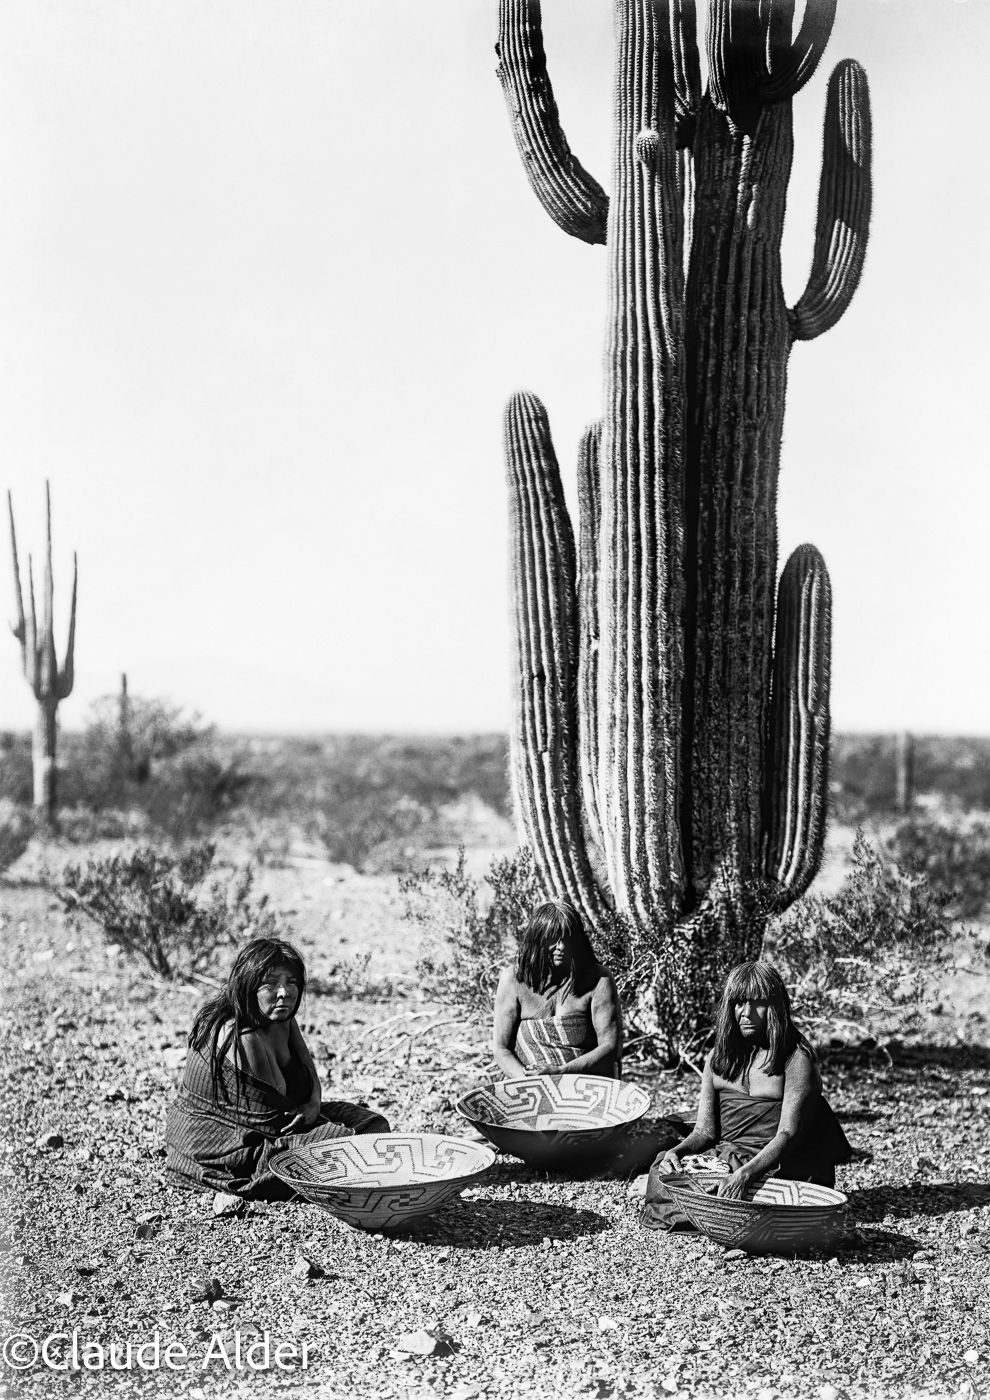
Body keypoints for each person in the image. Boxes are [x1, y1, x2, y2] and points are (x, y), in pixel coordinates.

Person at [166, 937, 389, 1200]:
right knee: (345, 1143)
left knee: (373, 1125)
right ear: (249, 986)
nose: (284, 992)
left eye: (291, 982)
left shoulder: (280, 1017)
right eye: (270, 984)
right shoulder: (242, 1036)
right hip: (233, 1146)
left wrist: (313, 1104)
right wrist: (329, 1128)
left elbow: (310, 1073)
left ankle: (347, 1167)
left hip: (286, 1123)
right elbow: (275, 1124)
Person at [644, 961, 851, 1225]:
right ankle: (721, 1213)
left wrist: (744, 1175)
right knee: (661, 1167)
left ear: (775, 1007)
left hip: (775, 1164)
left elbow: (788, 1134)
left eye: (758, 1003)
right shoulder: (718, 1058)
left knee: (741, 1192)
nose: (746, 1013)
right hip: (727, 1158)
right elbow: (704, 1131)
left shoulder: (795, 1058)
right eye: (739, 1003)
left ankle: (716, 1213)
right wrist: (677, 1152)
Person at [493, 899, 622, 1078]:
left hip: (584, 1085)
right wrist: (530, 1082)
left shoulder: (599, 979)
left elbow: (610, 1047)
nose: (561, 947)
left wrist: (560, 1072)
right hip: (528, 1085)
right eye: (553, 938)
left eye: (568, 938)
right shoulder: (513, 980)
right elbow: (501, 1049)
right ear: (537, 940)